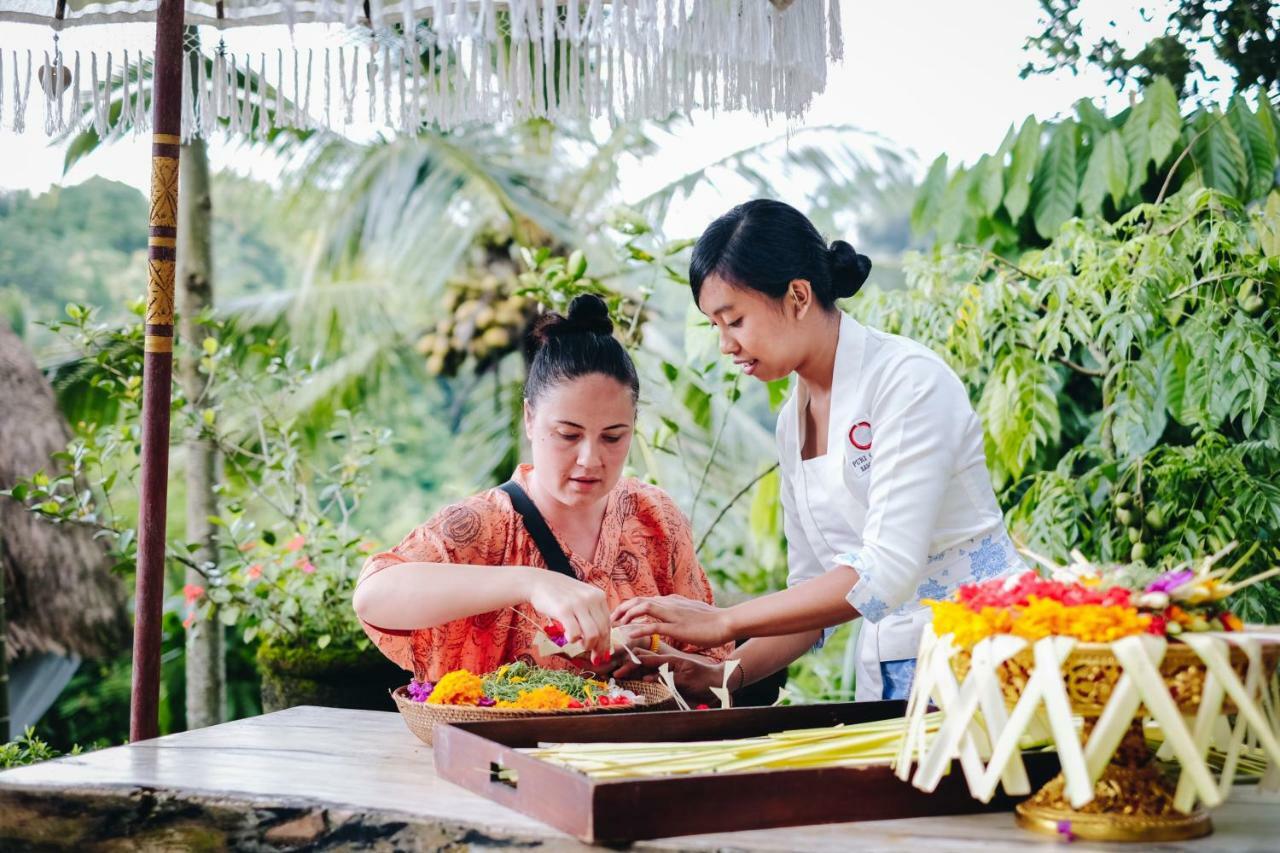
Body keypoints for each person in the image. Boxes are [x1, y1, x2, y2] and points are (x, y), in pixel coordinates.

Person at [614, 200, 1024, 701]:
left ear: (799, 296)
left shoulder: (908, 381)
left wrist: (724, 623)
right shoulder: (793, 420)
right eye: (714, 327)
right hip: (891, 670)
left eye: (734, 319)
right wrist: (720, 673)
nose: (725, 344)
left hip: (986, 659)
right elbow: (812, 595)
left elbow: (885, 572)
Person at [353, 294, 730, 686]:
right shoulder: (487, 525)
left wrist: (657, 661)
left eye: (613, 437)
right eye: (568, 434)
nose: (590, 459)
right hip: (503, 749)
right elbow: (374, 595)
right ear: (530, 418)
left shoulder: (656, 518)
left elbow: (708, 656)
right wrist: (531, 582)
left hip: (643, 747)